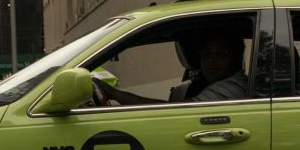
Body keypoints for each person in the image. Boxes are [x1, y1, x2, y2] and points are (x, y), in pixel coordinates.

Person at [95, 35, 248, 105]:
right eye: (206, 55)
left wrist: (115, 93)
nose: (211, 61)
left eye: (221, 54)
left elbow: (175, 111)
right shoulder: (211, 85)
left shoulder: (231, 88)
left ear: (237, 57)